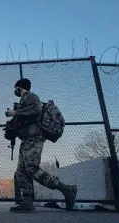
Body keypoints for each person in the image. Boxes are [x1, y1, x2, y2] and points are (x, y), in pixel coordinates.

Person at [5, 78, 77, 213]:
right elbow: (25, 120)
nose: (15, 91)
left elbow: (36, 109)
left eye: (16, 88)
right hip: (27, 138)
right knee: (21, 170)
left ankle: (67, 189)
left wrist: (15, 113)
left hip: (35, 137)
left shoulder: (31, 96)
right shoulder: (23, 101)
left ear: (20, 88)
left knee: (31, 168)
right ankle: (27, 202)